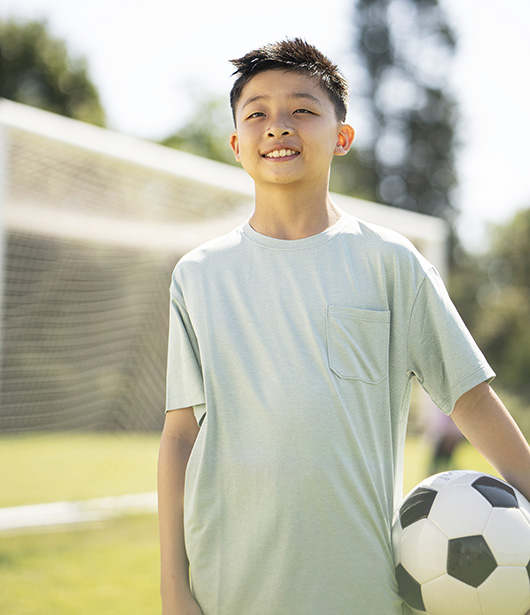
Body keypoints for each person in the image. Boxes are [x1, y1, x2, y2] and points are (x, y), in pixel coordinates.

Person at [158, 38, 530, 615]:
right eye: (257, 113)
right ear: (236, 144)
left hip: (365, 591)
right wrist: (173, 588)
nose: (278, 126)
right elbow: (180, 436)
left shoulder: (391, 262)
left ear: (342, 137)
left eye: (303, 109)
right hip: (228, 587)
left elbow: (470, 398)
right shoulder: (199, 276)